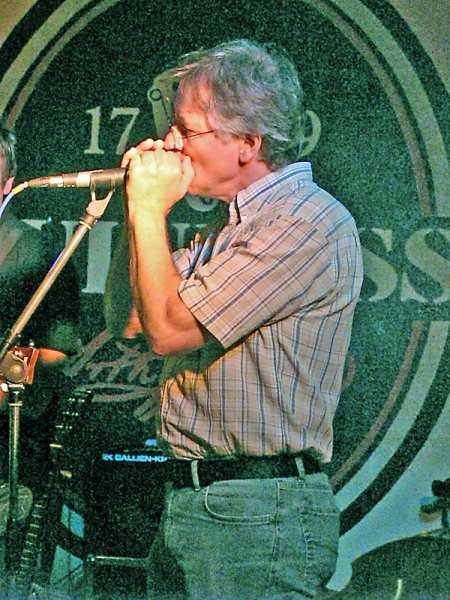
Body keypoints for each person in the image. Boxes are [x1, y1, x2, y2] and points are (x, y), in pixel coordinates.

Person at [106, 39, 363, 599]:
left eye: (187, 129)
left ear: (248, 142)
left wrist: (149, 208)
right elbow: (129, 319)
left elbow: (169, 331)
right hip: (197, 501)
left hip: (257, 511)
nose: (170, 143)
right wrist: (134, 210)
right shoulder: (226, 229)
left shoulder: (305, 222)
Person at [0, 120, 81, 534]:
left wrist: (7, 371)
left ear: (8, 182)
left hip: (10, 446)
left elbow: (61, 350)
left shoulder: (40, 251)